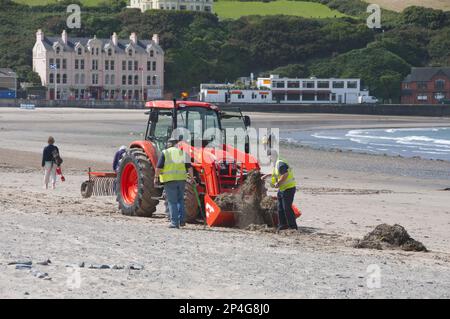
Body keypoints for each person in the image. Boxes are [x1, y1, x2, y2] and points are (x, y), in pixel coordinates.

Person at [154, 137, 194, 229]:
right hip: (181, 180)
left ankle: (174, 223)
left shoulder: (165, 152)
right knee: (180, 200)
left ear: (169, 144)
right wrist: (192, 178)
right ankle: (182, 221)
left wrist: (156, 177)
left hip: (169, 180)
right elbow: (189, 167)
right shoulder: (183, 153)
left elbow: (159, 167)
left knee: (172, 202)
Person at [262, 149, 298, 231]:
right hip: (282, 189)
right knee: (280, 208)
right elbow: (277, 173)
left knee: (287, 208)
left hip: (288, 188)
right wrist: (267, 175)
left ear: (272, 156)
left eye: (269, 157)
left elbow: (285, 174)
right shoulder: (277, 163)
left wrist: (278, 183)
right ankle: (282, 226)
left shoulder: (280, 163)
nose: (269, 159)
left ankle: (293, 227)